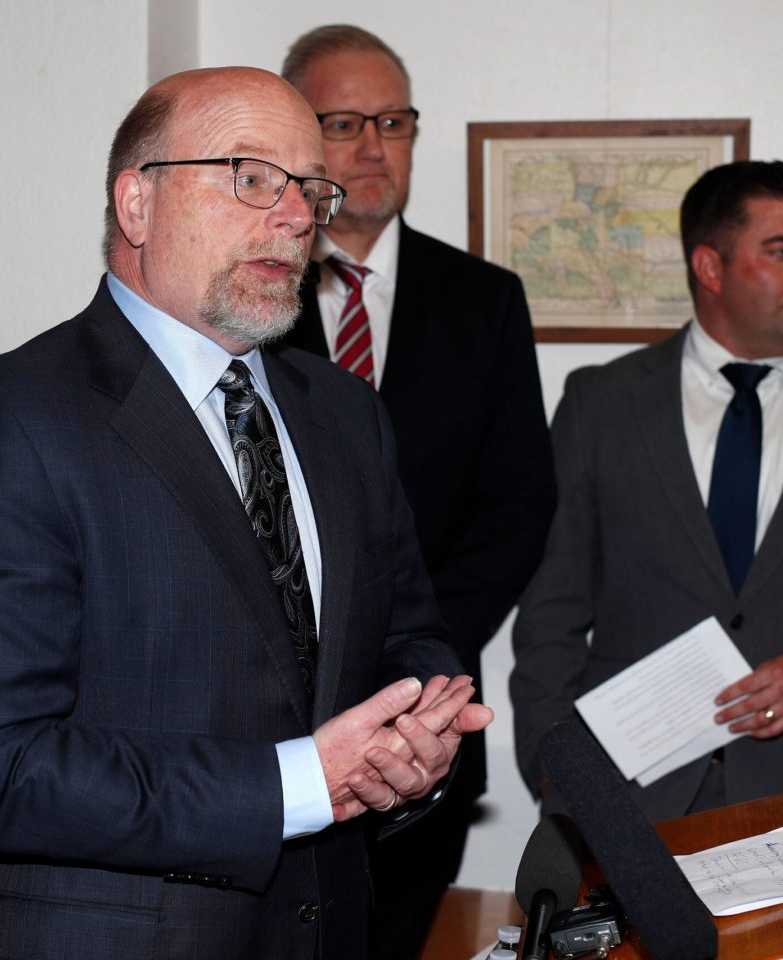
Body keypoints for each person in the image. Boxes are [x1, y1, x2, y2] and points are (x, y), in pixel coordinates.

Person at [0, 66, 493, 960]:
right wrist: (300, 783)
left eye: (311, 190)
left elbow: (406, 632)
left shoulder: (343, 412)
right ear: (137, 203)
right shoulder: (12, 417)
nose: (296, 218)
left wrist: (416, 738)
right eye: (252, 178)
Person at [280, 25, 556, 958]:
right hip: (273, 727)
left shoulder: (484, 299)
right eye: (343, 121)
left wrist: (415, 658)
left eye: (393, 121)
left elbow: (519, 505)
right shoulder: (246, 291)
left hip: (426, 726)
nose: (371, 146)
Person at [512, 160, 783, 824]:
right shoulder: (601, 402)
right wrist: (556, 770)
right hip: (630, 802)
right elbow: (551, 610)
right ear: (710, 268)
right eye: (779, 251)